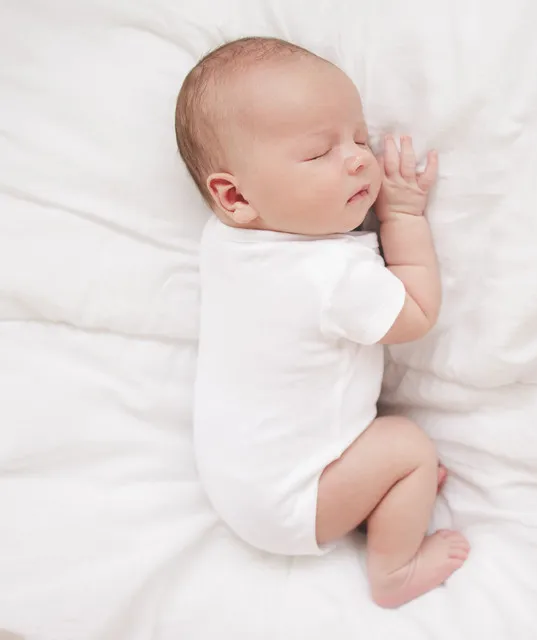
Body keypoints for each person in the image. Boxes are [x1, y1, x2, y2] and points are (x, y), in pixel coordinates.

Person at [175, 36, 469, 608]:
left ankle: (371, 497)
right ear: (234, 194)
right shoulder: (330, 276)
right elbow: (416, 314)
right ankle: (394, 574)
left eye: (359, 136)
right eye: (318, 153)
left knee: (390, 452)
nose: (359, 157)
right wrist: (403, 215)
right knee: (408, 447)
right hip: (294, 501)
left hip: (245, 486)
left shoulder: (226, 242)